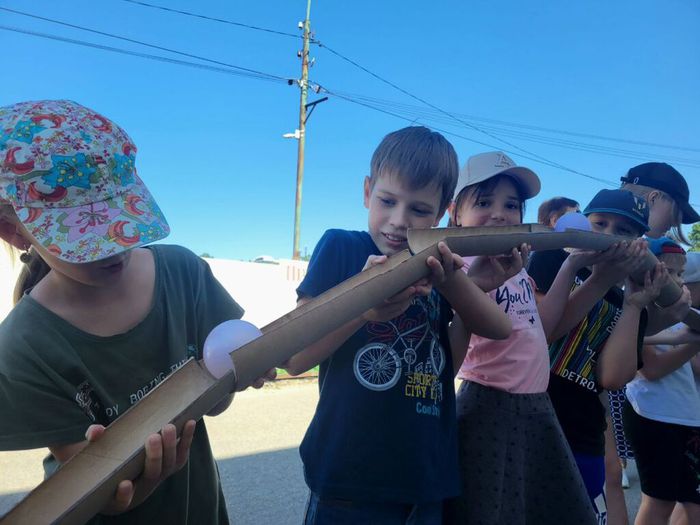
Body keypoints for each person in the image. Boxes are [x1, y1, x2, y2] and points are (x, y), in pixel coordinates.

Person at [0, 100, 272, 524]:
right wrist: (141, 482)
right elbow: (95, 494)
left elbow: (212, 406)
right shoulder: (24, 346)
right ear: (15, 231)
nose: (115, 246)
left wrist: (234, 376)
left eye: (118, 216)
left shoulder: (182, 273)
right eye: (83, 231)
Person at [283, 127, 513, 524]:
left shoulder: (439, 268)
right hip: (348, 481)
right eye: (387, 201)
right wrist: (364, 306)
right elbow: (295, 357)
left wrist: (465, 288)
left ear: (441, 214)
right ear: (367, 191)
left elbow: (452, 365)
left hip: (425, 481)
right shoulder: (342, 247)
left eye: (419, 211)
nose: (398, 221)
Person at [443, 151, 599, 524]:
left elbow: (540, 330)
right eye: (483, 202)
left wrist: (573, 264)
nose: (499, 213)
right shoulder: (459, 268)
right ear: (455, 214)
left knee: (537, 507)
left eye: (511, 205)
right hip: (490, 404)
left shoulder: (515, 269)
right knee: (491, 511)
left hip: (535, 403)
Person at [528, 189, 669, 524]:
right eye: (600, 223)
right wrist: (595, 278)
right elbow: (540, 332)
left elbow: (612, 377)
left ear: (638, 243)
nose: (608, 236)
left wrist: (635, 303)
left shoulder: (628, 303)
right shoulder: (554, 259)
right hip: (530, 422)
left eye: (623, 231)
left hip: (582, 435)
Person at [623, 243, 700, 525]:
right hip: (651, 414)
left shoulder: (684, 316)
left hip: (686, 416)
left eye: (680, 274)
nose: (677, 282)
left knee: (692, 504)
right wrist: (693, 342)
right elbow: (651, 369)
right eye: (668, 273)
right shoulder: (638, 312)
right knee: (659, 501)